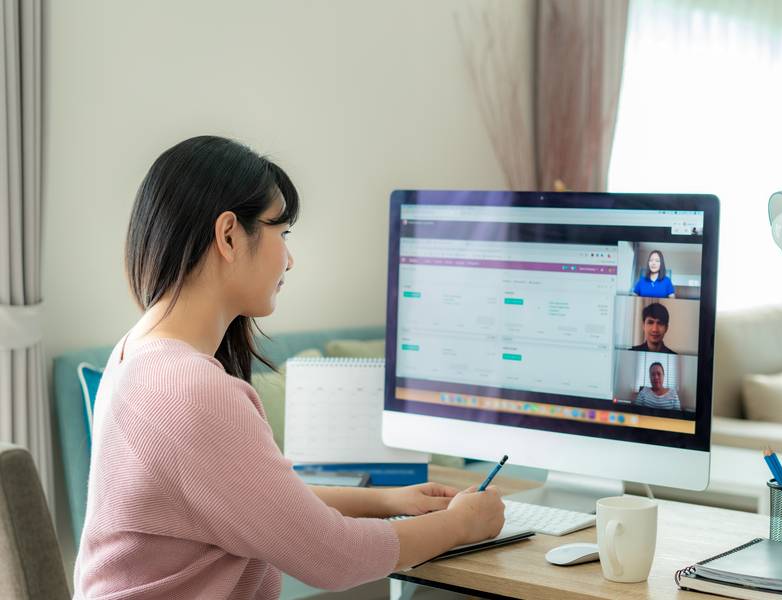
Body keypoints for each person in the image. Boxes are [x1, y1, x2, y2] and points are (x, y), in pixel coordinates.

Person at [74, 136, 505, 599]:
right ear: (229, 235)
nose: (289, 259)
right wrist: (461, 525)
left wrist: (383, 501)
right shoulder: (191, 390)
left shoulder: (138, 352)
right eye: (282, 233)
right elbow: (336, 557)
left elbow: (260, 502)